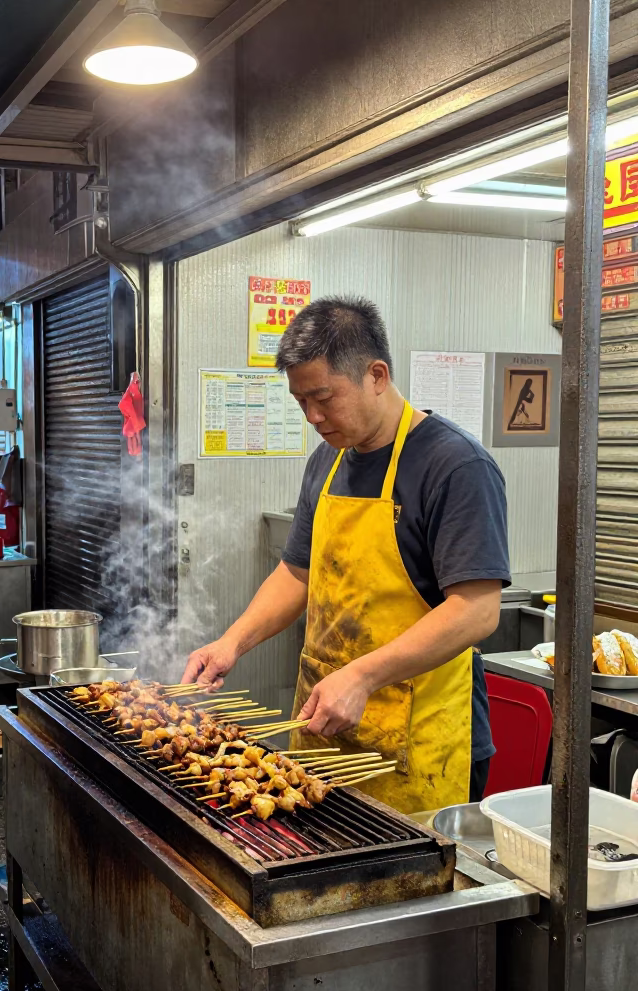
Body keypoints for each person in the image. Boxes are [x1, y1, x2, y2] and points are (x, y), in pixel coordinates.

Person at [181, 297, 508, 814]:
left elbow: (476, 609)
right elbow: (296, 572)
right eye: (301, 402)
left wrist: (362, 676)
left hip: (420, 744)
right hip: (324, 729)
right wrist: (232, 643)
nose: (313, 416)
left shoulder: (455, 465)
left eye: (324, 398)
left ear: (376, 375)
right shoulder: (327, 460)